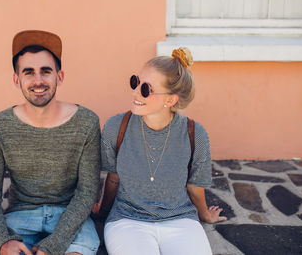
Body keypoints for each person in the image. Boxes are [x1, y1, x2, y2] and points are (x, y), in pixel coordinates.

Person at [0, 30, 101, 255]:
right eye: (28, 72)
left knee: (80, 251)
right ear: (17, 80)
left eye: (46, 71)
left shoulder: (86, 122)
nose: (38, 81)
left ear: (59, 77)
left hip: (69, 215)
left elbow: (87, 191)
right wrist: (4, 240)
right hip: (21, 215)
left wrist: (52, 247)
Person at [93, 47, 227, 255]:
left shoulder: (194, 134)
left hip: (181, 221)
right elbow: (113, 179)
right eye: (135, 82)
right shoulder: (116, 127)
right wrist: (103, 212)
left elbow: (194, 186)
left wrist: (204, 214)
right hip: (128, 221)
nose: (135, 92)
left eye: (146, 89)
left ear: (170, 100)